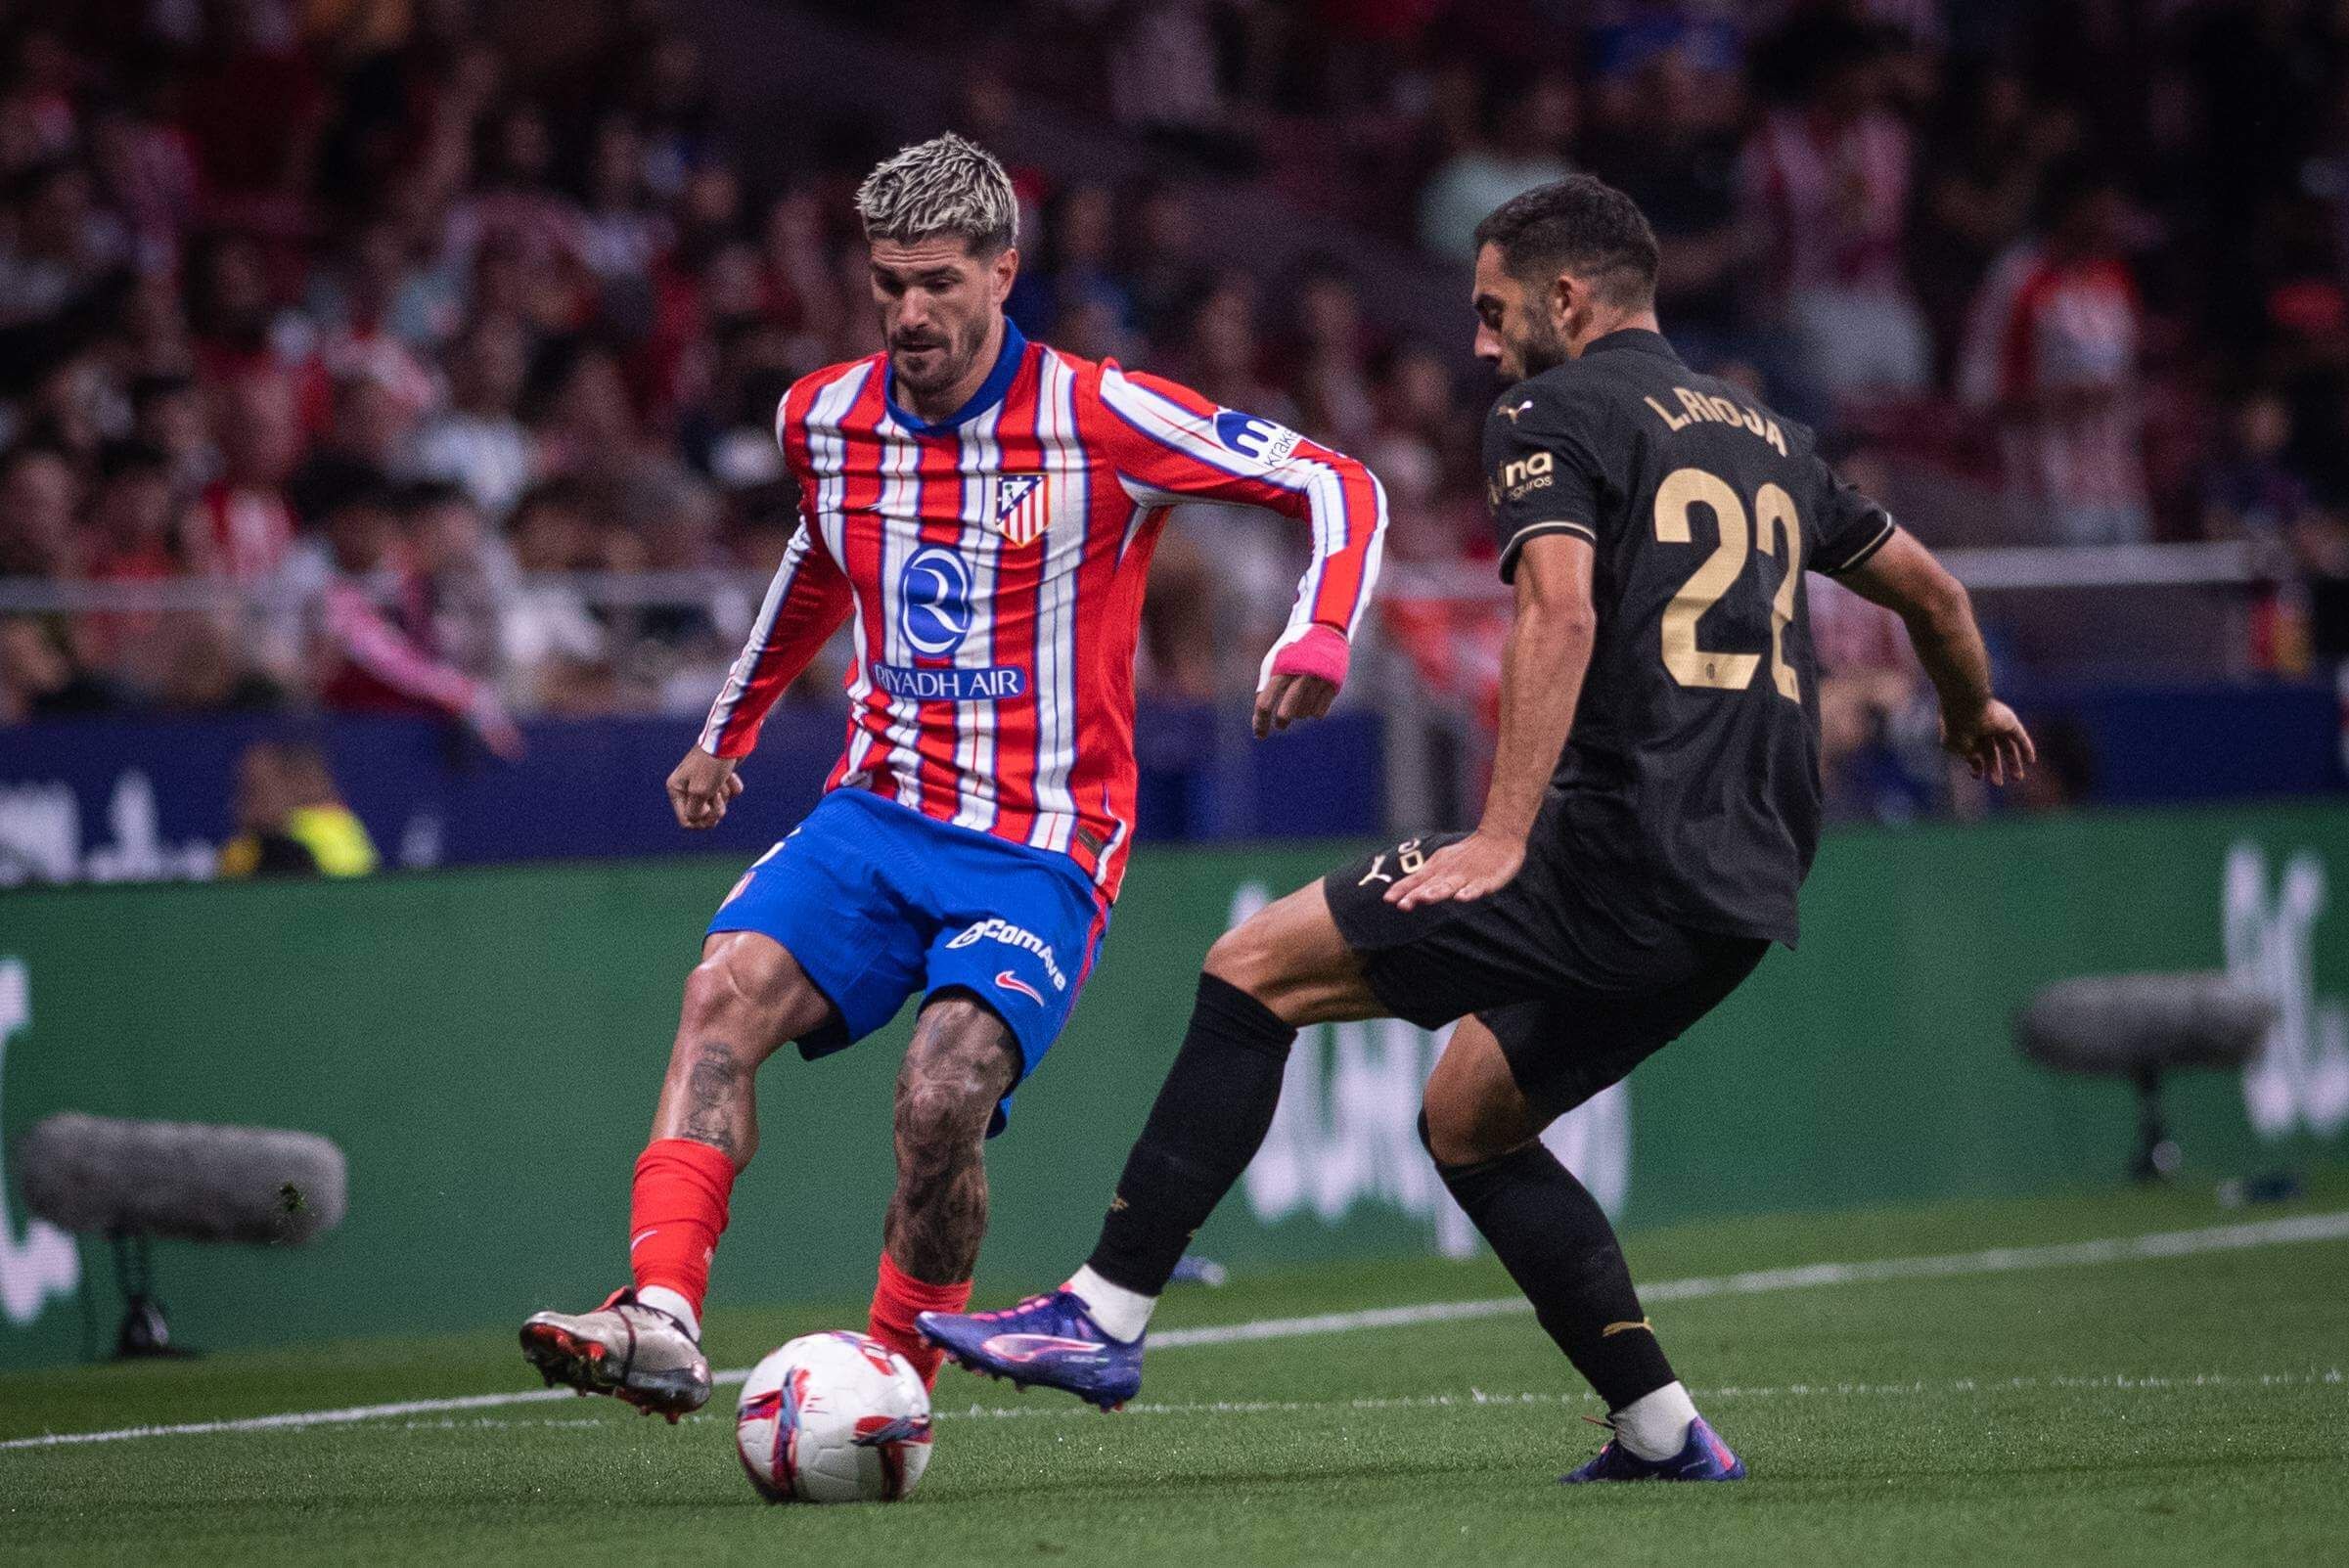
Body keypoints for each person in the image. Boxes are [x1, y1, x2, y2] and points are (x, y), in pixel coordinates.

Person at [919, 174, 2033, 1484]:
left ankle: (1100, 1316)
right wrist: (1969, 711)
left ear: (1567, 298)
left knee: (1250, 971)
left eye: (1494, 310)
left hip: (1615, 847)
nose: (1481, 343)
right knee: (1469, 1118)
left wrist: (1503, 836)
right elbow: (1935, 593)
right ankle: (1663, 1433)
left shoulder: (1548, 412)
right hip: (1747, 883)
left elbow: (1555, 615)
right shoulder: (1770, 435)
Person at [518, 134, 1387, 1419]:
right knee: (722, 995)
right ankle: (659, 1314)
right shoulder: (822, 417)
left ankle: (890, 1385)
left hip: (1040, 840)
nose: (910, 312)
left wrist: (1316, 632)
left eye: (937, 282)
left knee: (940, 1097)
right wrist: (730, 728)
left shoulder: (1100, 414)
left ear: (1001, 270)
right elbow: (821, 558)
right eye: (887, 285)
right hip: (873, 815)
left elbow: (1335, 480)